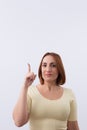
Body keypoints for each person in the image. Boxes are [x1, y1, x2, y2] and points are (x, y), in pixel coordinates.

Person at [12, 52, 80, 130]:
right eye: (44, 65)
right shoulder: (30, 91)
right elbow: (18, 122)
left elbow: (73, 127)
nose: (48, 69)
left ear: (59, 69)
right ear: (41, 69)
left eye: (53, 65)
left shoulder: (69, 94)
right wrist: (25, 86)